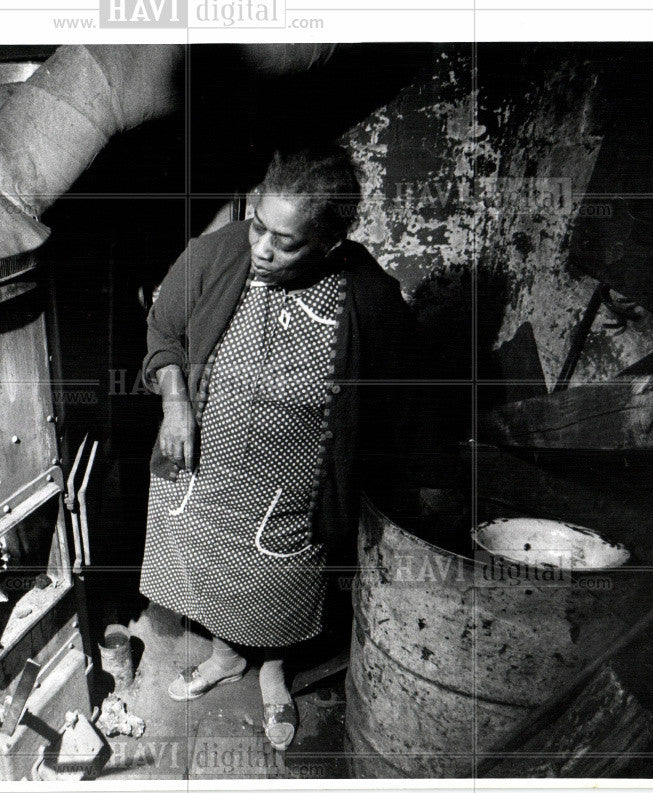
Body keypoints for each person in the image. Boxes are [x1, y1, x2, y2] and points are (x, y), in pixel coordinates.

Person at [138, 145, 419, 751]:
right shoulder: (219, 253)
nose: (261, 248)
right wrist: (175, 400)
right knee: (207, 566)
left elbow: (394, 405)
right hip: (203, 468)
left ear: (327, 241)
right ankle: (225, 655)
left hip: (290, 487)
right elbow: (163, 329)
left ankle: (272, 671)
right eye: (259, 227)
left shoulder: (366, 294)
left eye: (285, 242)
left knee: (281, 580)